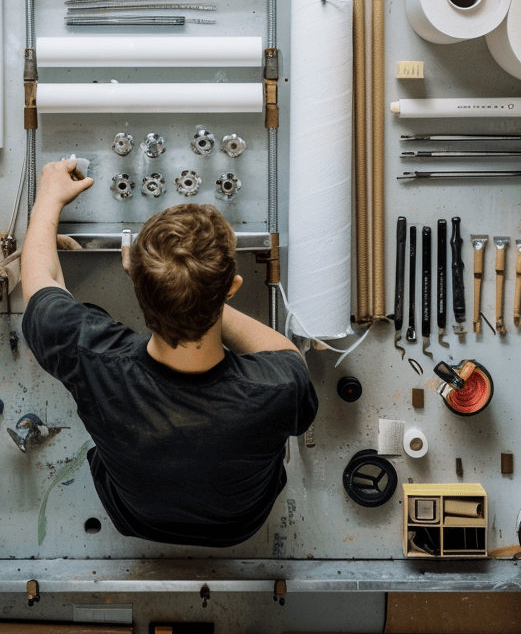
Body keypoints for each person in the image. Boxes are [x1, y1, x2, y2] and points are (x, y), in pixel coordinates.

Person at [20, 159, 319, 547]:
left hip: (134, 517)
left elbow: (41, 280)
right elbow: (287, 353)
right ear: (233, 288)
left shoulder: (91, 357)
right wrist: (195, 289)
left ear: (135, 283)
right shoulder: (279, 387)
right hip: (238, 527)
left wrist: (48, 197)